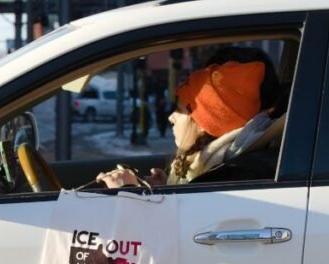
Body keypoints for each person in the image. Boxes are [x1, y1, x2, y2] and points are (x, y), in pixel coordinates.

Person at [97, 57, 282, 188]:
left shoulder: (229, 176)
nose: (171, 117)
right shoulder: (210, 167)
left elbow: (170, 238)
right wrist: (166, 188)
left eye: (179, 109)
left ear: (205, 123)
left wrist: (127, 193)